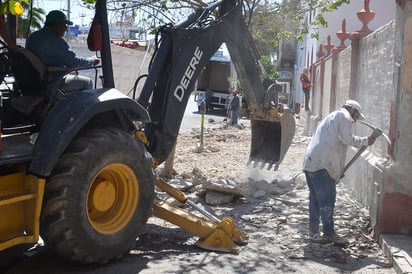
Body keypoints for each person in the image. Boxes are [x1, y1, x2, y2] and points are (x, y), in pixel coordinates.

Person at [303, 99, 376, 245]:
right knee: (327, 200)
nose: (355, 120)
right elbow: (348, 139)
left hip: (312, 163)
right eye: (356, 115)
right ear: (352, 110)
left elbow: (336, 143)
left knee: (315, 199)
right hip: (323, 165)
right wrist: (366, 140)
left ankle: (314, 231)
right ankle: (329, 233)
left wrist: (338, 171)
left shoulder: (332, 116)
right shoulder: (344, 117)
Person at [26, 10, 99, 93]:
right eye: (64, 25)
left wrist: (64, 70)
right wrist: (92, 61)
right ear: (56, 25)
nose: (66, 29)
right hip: (50, 80)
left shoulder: (32, 37)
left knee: (73, 76)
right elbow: (74, 62)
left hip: (33, 80)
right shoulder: (55, 40)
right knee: (87, 82)